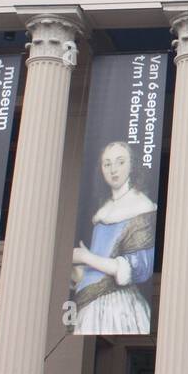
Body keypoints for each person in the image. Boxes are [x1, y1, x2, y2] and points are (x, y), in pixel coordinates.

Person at [71, 141, 156, 334]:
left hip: (117, 304)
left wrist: (85, 257)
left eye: (120, 162)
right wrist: (76, 270)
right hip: (89, 301)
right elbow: (97, 267)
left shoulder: (141, 206)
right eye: (107, 164)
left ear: (131, 165)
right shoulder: (104, 207)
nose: (113, 170)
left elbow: (137, 268)